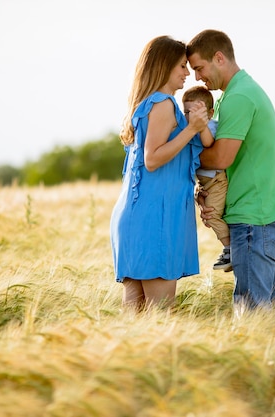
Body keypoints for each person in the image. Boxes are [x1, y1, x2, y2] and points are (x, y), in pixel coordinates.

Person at [186, 29, 275, 311]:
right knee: (266, 309)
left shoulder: (239, 98)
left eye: (199, 68)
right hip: (261, 213)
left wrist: (177, 157)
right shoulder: (238, 93)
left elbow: (222, 158)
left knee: (253, 312)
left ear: (219, 58)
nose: (197, 77)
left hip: (255, 218)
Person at [110, 35, 209, 311]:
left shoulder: (145, 105)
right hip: (156, 220)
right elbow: (152, 159)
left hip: (137, 218)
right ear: (164, 66)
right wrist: (191, 129)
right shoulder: (164, 104)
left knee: (136, 318)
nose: (187, 73)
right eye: (181, 66)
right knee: (160, 317)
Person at [181, 85, 232, 272]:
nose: (191, 117)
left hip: (217, 181)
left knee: (212, 215)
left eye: (197, 112)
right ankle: (229, 246)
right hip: (204, 182)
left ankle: (229, 248)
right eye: (187, 112)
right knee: (209, 214)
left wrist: (199, 126)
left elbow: (208, 143)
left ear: (210, 113)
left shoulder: (209, 126)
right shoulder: (187, 128)